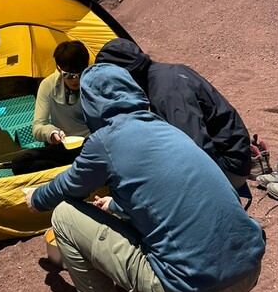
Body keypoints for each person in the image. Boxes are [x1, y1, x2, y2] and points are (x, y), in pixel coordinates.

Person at [24, 63, 265, 292]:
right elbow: (161, 194)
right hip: (247, 272)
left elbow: (67, 187)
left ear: (90, 105)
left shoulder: (104, 141)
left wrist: (37, 198)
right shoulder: (165, 128)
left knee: (63, 215)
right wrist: (113, 206)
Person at [95, 38, 251, 189]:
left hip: (228, 167)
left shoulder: (165, 92)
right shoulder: (165, 72)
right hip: (230, 155)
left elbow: (194, 149)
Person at [11, 40, 91, 175]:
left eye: (80, 74)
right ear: (59, 69)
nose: (75, 80)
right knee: (20, 162)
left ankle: (67, 171)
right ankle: (72, 170)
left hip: (90, 145)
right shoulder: (48, 85)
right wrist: (52, 133)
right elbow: (37, 127)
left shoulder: (95, 81)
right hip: (62, 146)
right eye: (69, 75)